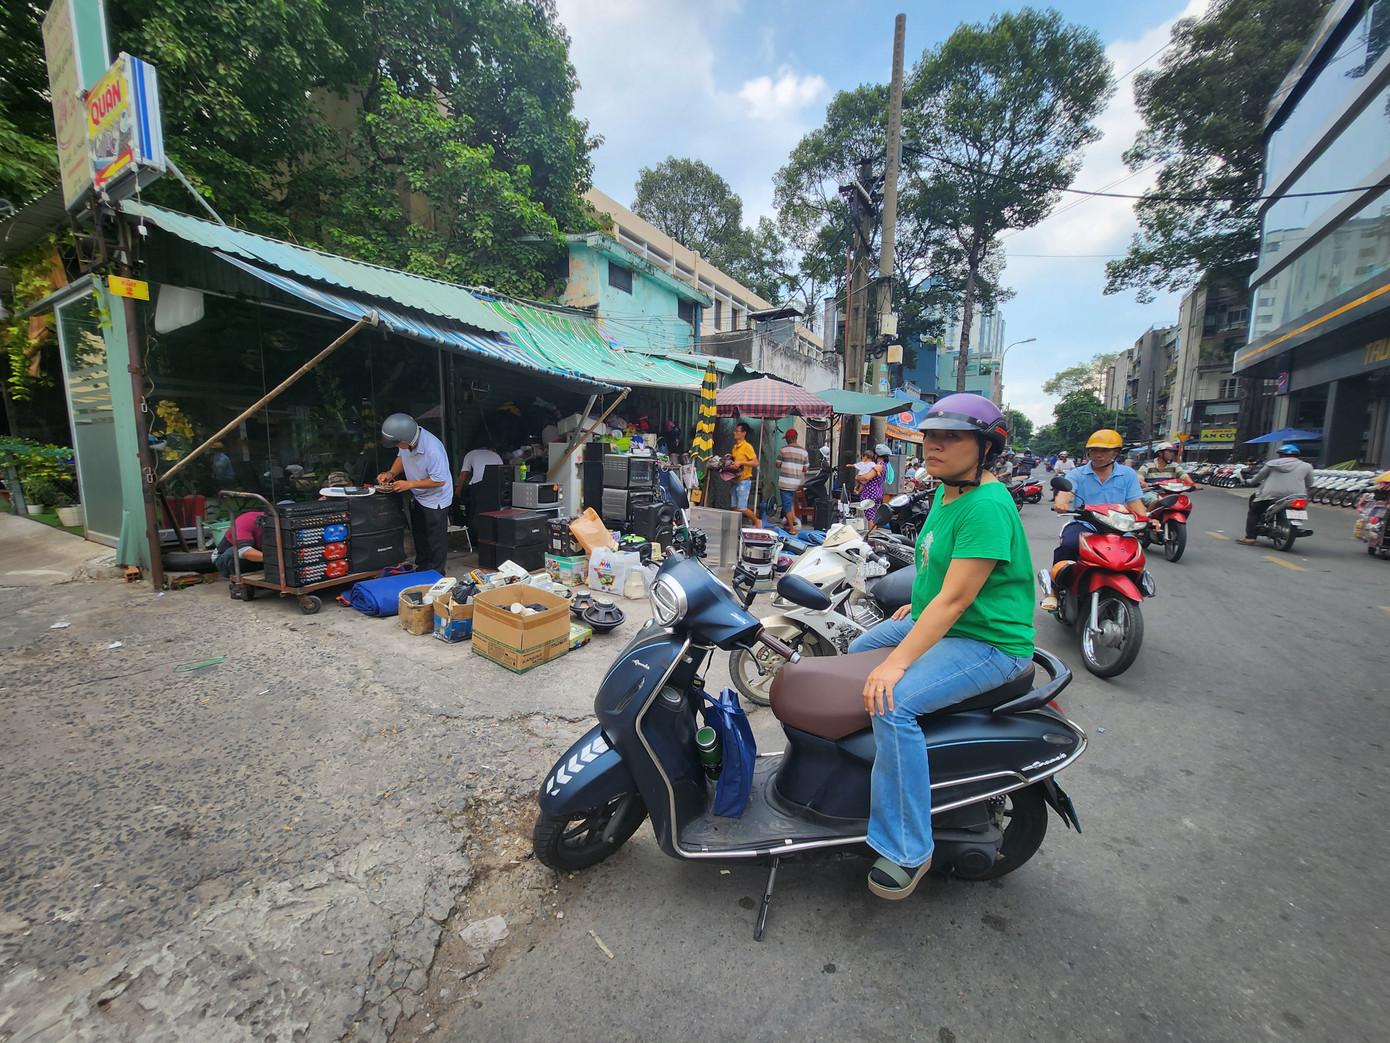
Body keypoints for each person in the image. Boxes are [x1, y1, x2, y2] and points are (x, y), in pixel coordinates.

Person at [848, 393, 1034, 899]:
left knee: (894, 702)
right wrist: (915, 604)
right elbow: (937, 574)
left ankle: (908, 849)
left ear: (985, 446)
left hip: (988, 641)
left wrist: (898, 665)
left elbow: (954, 602)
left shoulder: (987, 506)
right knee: (858, 646)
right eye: (931, 435)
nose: (934, 445)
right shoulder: (947, 493)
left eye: (951, 437)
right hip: (943, 623)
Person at [1041, 429, 1147, 612]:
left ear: (1116, 452)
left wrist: (1147, 520)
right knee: (1068, 547)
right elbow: (1065, 492)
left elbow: (1135, 503)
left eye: (1104, 450)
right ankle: (1055, 592)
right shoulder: (1078, 473)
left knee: (1134, 556)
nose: (1098, 454)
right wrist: (1061, 503)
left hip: (1118, 528)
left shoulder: (1128, 475)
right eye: (1094, 450)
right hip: (1084, 524)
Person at [377, 413, 452, 575]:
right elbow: (401, 458)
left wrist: (409, 484)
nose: (397, 447)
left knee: (435, 538)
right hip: (419, 495)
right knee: (420, 534)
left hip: (436, 498)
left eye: (398, 444)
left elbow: (439, 481)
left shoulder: (433, 449)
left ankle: (437, 572)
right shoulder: (407, 443)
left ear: (407, 441)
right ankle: (423, 566)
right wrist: (390, 474)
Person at [1236, 443, 1314, 546]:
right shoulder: (1307, 466)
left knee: (1254, 512)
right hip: (1297, 496)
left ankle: (1250, 538)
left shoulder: (1272, 464)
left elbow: (1259, 477)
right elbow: (1309, 483)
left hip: (1270, 495)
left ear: (1281, 455)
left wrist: (1250, 482)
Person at [215, 511, 265, 592]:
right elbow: (244, 551)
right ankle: (238, 585)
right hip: (224, 559)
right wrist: (274, 558)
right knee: (236, 551)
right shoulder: (246, 520)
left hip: (258, 557)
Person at [1137, 441, 1197, 509]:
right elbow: (1139, 478)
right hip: (1151, 491)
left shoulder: (1175, 466)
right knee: (1155, 501)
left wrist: (1192, 484)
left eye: (1172, 452)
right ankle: (1146, 517)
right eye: (1169, 451)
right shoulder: (1147, 465)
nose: (1172, 454)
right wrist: (1143, 483)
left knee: (1185, 503)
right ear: (1160, 453)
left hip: (1170, 493)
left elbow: (1184, 475)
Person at [724, 421, 760, 526]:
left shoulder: (747, 447)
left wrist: (741, 462)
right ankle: (735, 527)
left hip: (744, 482)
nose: (734, 433)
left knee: (742, 508)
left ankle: (757, 520)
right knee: (734, 507)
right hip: (735, 480)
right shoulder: (735, 448)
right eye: (734, 431)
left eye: (737, 431)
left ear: (743, 433)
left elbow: (755, 462)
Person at [775, 428, 809, 532]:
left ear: (790, 438)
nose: (786, 440)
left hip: (785, 482)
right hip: (795, 483)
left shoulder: (783, 449)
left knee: (786, 505)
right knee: (791, 503)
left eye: (786, 438)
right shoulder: (804, 452)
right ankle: (793, 521)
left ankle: (791, 528)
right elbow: (805, 468)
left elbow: (777, 464)